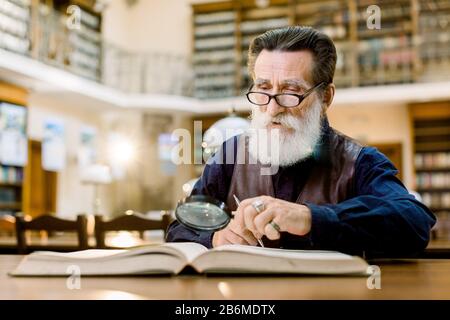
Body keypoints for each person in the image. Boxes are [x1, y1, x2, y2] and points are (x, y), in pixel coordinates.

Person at [166, 26, 435, 256]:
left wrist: (310, 218)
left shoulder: (360, 161)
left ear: (326, 97)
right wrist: (216, 239)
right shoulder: (231, 154)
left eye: (290, 92)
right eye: (263, 89)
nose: (272, 109)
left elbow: (413, 222)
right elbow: (180, 227)